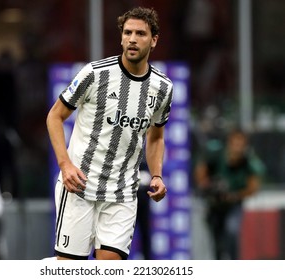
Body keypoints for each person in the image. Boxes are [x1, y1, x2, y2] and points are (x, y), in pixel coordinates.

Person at [46, 7, 173, 260]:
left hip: (122, 193)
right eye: (127, 33)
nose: (132, 39)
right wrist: (65, 164)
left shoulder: (162, 88)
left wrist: (156, 174)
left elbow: (156, 136)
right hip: (79, 187)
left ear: (154, 40)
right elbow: (54, 116)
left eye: (140, 33)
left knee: (110, 269)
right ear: (121, 37)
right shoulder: (95, 73)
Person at [194, 129, 265, 260]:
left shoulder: (249, 162)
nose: (237, 148)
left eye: (240, 144)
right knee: (215, 237)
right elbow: (201, 170)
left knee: (232, 231)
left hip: (234, 203)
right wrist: (208, 186)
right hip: (214, 204)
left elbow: (253, 187)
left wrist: (234, 195)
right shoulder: (216, 155)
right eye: (234, 143)